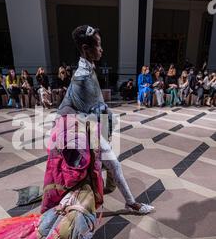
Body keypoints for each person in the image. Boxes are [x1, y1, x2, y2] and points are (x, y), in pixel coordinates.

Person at [58, 25, 154, 215]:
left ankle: (123, 200)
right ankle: (129, 203)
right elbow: (86, 111)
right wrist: (103, 131)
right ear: (86, 49)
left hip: (83, 124)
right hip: (75, 128)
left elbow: (98, 107)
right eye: (98, 45)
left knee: (99, 164)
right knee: (100, 164)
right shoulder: (82, 76)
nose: (101, 49)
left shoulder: (87, 70)